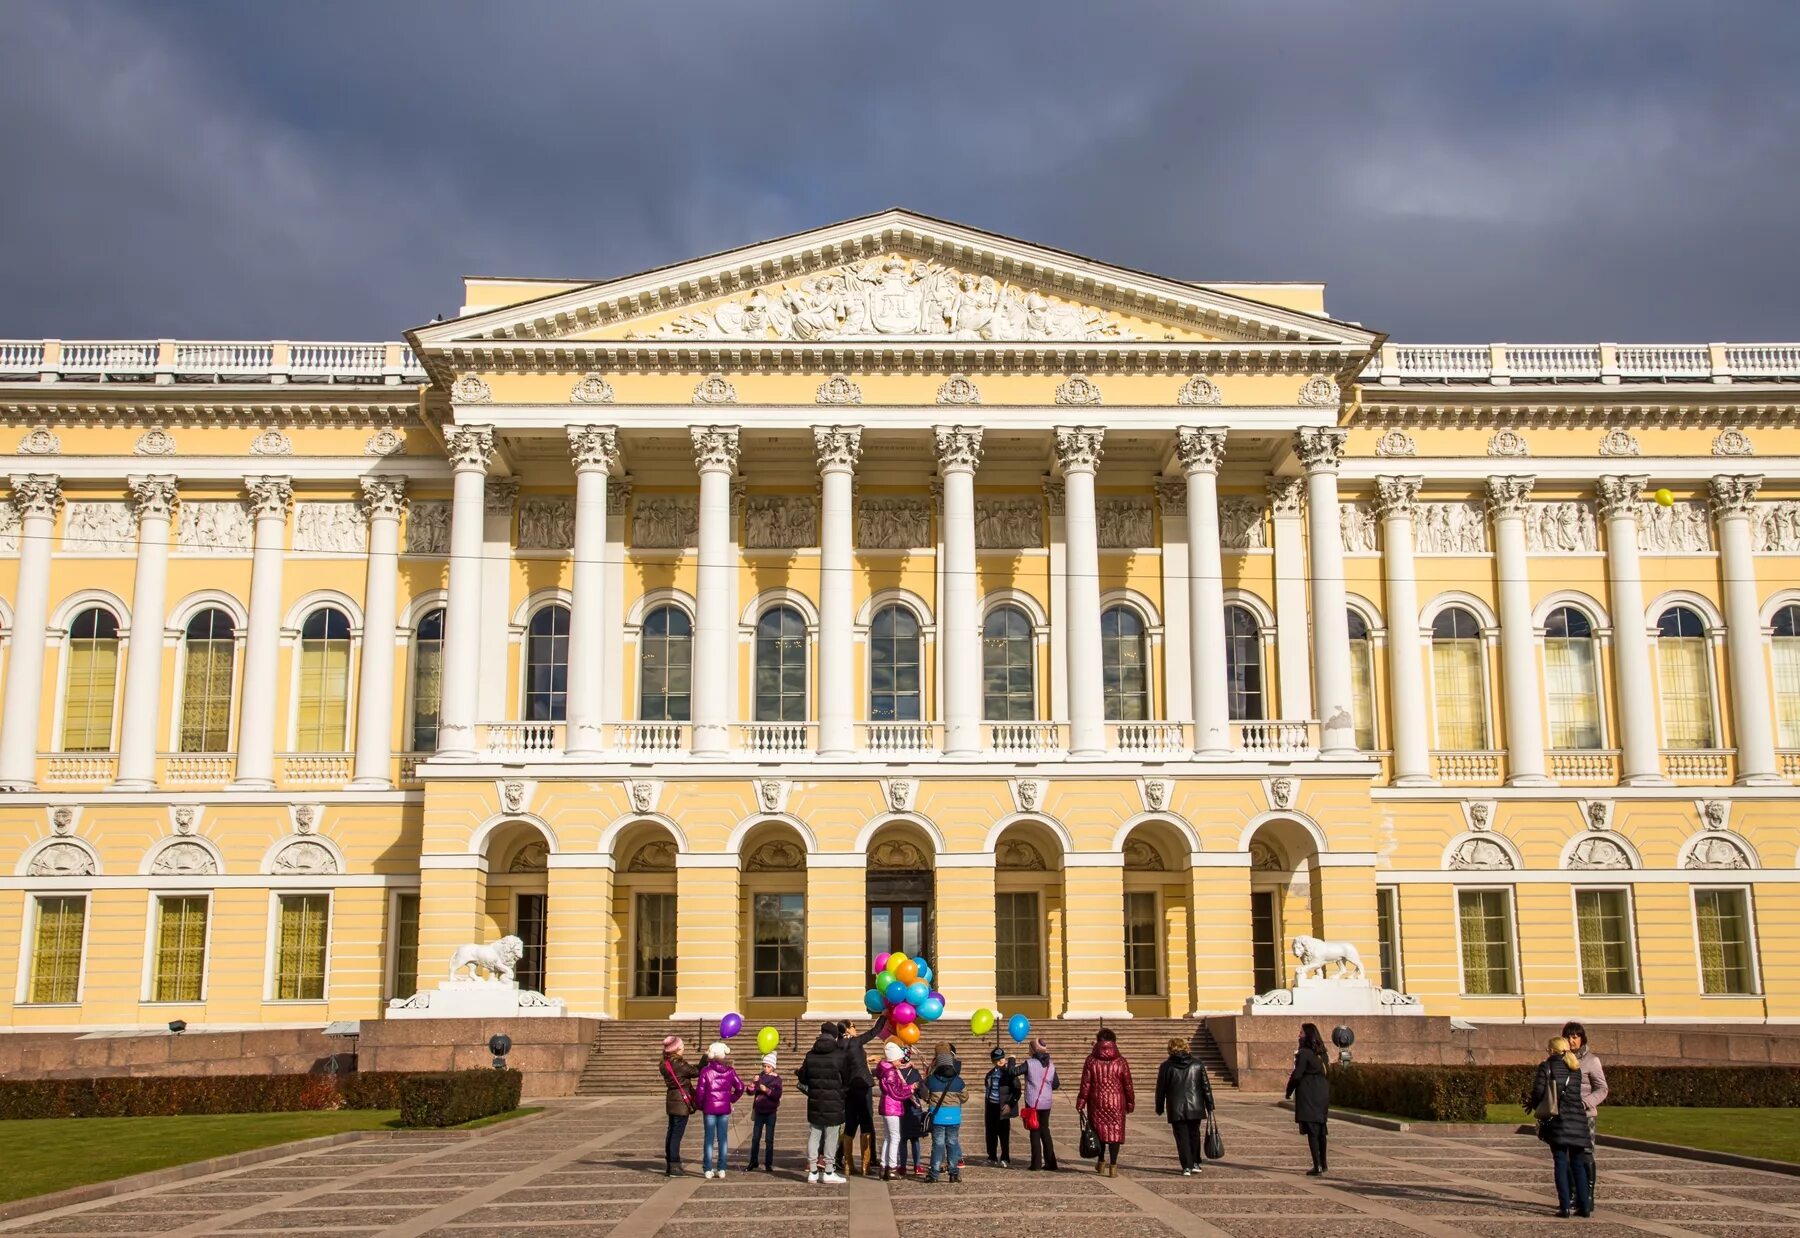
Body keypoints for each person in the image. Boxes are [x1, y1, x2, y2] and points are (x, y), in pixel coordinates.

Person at [1526, 1036, 1594, 1217]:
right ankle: (1585, 1206)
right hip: (1578, 1120)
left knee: (1561, 1162)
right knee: (1578, 1165)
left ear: (1551, 1050)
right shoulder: (1575, 1068)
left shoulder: (1547, 1066)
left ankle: (1564, 1206)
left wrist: (1532, 1104)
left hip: (1559, 1120)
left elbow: (1539, 1092)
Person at [1076, 1027, 1135, 1177]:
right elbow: (1128, 1084)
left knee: (1099, 1133)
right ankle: (1113, 1166)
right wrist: (1130, 1102)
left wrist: (1081, 1102)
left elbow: (1086, 1084)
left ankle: (1101, 1162)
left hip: (1097, 1102)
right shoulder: (1121, 1061)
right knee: (1115, 1134)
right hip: (1116, 1103)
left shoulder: (1091, 1060)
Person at [1154, 1036, 1216, 1176]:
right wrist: (1210, 1104)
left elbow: (1161, 1089)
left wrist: (1159, 1106)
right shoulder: (1197, 1064)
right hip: (1195, 1106)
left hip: (1176, 1107)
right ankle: (1195, 1163)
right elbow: (1206, 1086)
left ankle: (1186, 1166)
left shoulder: (1166, 1066)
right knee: (1194, 1134)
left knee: (1182, 1137)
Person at [798, 1023, 851, 1184]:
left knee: (814, 1134)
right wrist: (842, 1093)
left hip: (815, 1100)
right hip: (834, 1101)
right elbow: (847, 1078)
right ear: (835, 1036)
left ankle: (813, 1170)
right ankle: (828, 1170)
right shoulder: (840, 1055)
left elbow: (803, 1078)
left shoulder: (810, 1055)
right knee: (831, 1136)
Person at [1562, 1021, 1609, 1200]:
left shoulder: (1592, 1061)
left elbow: (1602, 1089)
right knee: (1566, 1156)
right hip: (1566, 1115)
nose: (1571, 1041)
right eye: (1568, 1037)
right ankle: (1573, 1195)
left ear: (1582, 1039)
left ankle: (1588, 1195)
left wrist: (1585, 1103)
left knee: (1586, 1154)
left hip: (1585, 1115)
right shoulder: (1562, 1060)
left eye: (1575, 1037)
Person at [836, 1018, 885, 1175]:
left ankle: (848, 1165)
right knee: (866, 1123)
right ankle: (866, 1166)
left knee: (850, 1123)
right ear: (848, 1030)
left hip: (847, 1088)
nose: (855, 1029)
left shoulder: (837, 1046)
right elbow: (874, 1031)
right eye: (854, 1026)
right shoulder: (855, 1042)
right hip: (862, 1085)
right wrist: (883, 1016)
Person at [1285, 1023, 1330, 1176]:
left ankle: (1316, 1166)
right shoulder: (1322, 1053)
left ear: (1308, 1035)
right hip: (1322, 1092)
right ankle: (1323, 1164)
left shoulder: (1304, 1053)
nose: (1299, 1035)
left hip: (1309, 1093)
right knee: (1321, 1129)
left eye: (1301, 1033)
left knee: (1312, 1131)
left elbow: (1297, 1075)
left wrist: (1288, 1090)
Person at [695, 1041, 745, 1180]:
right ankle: (722, 1168)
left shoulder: (705, 1071)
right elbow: (740, 1087)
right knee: (723, 1139)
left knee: (709, 1139)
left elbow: (700, 1092)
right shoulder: (730, 1071)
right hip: (724, 1108)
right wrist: (731, 1099)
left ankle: (708, 1169)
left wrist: (700, 1105)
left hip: (709, 1109)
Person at [922, 1045, 968, 1183]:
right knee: (952, 1144)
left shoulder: (931, 1080)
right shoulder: (958, 1081)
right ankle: (954, 1174)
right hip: (954, 1117)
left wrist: (931, 1100)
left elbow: (925, 1096)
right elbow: (965, 1097)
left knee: (938, 1145)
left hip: (937, 1117)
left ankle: (934, 1174)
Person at [659, 1035, 699, 1178]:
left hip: (671, 1100)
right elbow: (695, 1072)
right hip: (681, 1103)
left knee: (671, 1133)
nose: (684, 1049)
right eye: (682, 1047)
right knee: (676, 1134)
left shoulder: (665, 1064)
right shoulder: (680, 1064)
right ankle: (675, 1165)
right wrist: (705, 1060)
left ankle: (670, 1164)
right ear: (677, 1049)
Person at [876, 1041, 916, 1180]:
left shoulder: (886, 1070)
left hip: (887, 1105)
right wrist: (910, 1089)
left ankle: (883, 1165)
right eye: (899, 1059)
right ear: (893, 1058)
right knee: (895, 1137)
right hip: (891, 1107)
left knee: (888, 1137)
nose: (901, 1061)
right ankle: (892, 1167)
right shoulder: (891, 1073)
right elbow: (896, 1092)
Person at [1022, 1036, 1060, 1171]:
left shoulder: (1029, 1063)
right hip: (1046, 1102)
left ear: (1033, 1050)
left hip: (1033, 1102)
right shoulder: (1051, 1064)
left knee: (1034, 1132)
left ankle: (1036, 1163)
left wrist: (1011, 1060)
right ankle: (1051, 1162)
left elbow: (1013, 1072)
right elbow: (1056, 1084)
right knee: (1045, 1131)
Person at [982, 1047, 1022, 1167]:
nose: (1000, 1061)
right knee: (990, 1133)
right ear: (993, 1061)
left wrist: (1010, 1104)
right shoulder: (990, 1074)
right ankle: (992, 1156)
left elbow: (1017, 1090)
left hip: (1003, 1107)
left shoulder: (1010, 1073)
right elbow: (987, 1086)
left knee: (1004, 1134)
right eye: (997, 1059)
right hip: (991, 1106)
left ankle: (1005, 1157)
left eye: (1002, 1058)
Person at [747, 1050, 783, 1173]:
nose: (766, 1068)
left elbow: (777, 1095)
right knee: (755, 1138)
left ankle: (768, 1163)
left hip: (771, 1112)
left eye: (768, 1066)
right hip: (759, 1111)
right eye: (764, 1066)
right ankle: (753, 1161)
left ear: (773, 1067)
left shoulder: (777, 1079)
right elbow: (750, 1092)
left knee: (769, 1139)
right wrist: (752, 1083)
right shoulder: (759, 1077)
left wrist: (766, 1090)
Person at [898, 1048, 928, 1177]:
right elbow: (922, 1093)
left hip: (901, 1108)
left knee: (903, 1139)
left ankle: (903, 1166)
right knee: (915, 1139)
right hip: (914, 1109)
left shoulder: (895, 1072)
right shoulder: (914, 1072)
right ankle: (917, 1166)